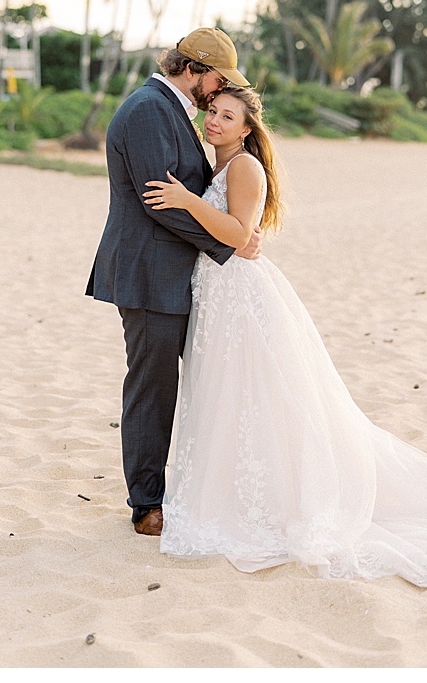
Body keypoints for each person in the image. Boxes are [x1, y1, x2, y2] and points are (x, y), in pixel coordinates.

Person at [140, 85, 427, 586]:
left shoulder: (244, 165)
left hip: (239, 296)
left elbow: (242, 234)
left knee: (257, 396)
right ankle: (235, 494)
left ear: (246, 128)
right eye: (213, 113)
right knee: (232, 398)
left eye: (227, 116)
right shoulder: (216, 165)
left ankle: (266, 503)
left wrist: (183, 200)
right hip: (218, 295)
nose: (215, 122)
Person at [87, 27, 261, 537]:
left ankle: (202, 490)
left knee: (206, 384)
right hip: (148, 275)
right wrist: (227, 244)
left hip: (177, 277)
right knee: (152, 389)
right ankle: (146, 505)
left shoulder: (171, 108)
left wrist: (232, 234)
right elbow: (159, 200)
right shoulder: (147, 109)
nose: (218, 93)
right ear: (197, 69)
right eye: (219, 80)